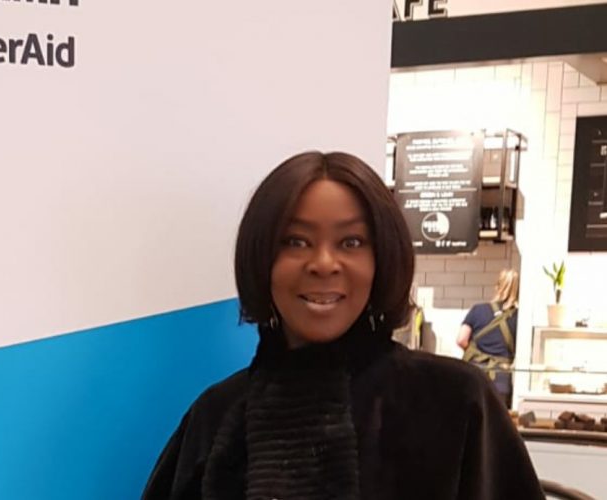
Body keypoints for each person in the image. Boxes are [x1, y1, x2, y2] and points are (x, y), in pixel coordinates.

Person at [143, 152, 543, 499]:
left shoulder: (454, 401)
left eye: (351, 242)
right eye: (295, 241)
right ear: (261, 257)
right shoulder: (216, 415)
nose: (323, 263)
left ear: (382, 257)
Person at [457, 269, 520, 408]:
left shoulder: (478, 309)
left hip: (474, 375)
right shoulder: (519, 317)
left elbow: (461, 339)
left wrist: (476, 354)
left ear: (497, 286)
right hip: (501, 380)